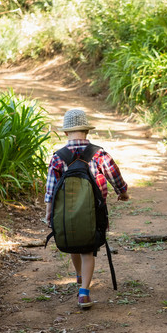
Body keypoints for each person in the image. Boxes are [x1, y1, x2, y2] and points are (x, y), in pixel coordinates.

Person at [45, 108, 129, 309]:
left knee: (74, 243)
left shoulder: (58, 157)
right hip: (93, 213)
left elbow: (50, 189)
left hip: (66, 215)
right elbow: (114, 175)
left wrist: (49, 213)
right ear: (87, 131)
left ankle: (80, 276)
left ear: (66, 133)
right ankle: (84, 293)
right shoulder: (99, 153)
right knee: (88, 251)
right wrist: (122, 191)